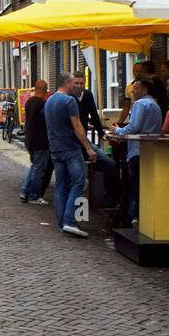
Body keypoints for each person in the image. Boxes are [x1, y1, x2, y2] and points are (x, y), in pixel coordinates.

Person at [44, 71, 98, 238]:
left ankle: (62, 223)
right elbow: (77, 126)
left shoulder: (49, 100)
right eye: (74, 83)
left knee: (61, 185)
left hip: (55, 148)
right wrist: (88, 148)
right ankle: (70, 221)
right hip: (70, 148)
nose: (77, 86)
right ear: (67, 83)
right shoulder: (69, 101)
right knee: (79, 183)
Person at [111, 77, 163, 222]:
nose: (132, 91)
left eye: (135, 87)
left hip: (137, 150)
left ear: (145, 88)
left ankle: (134, 217)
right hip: (151, 150)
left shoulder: (141, 104)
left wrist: (117, 130)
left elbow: (134, 127)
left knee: (135, 186)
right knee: (145, 185)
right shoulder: (154, 104)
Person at [72, 71, 120, 208]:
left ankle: (108, 200)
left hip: (85, 142)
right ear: (71, 83)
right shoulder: (67, 97)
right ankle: (78, 210)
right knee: (76, 176)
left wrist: (101, 133)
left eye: (82, 83)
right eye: (77, 83)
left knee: (110, 164)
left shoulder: (87, 95)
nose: (80, 86)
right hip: (72, 143)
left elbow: (93, 114)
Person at [20, 80, 53, 205]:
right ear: (46, 91)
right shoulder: (43, 104)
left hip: (29, 139)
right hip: (41, 141)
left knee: (34, 167)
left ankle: (24, 191)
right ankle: (34, 196)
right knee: (39, 169)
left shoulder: (29, 102)